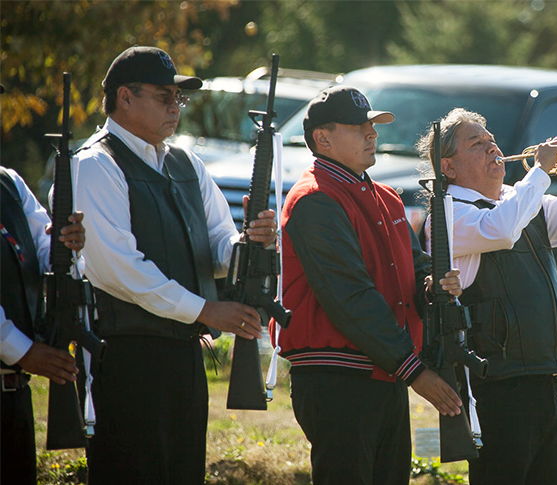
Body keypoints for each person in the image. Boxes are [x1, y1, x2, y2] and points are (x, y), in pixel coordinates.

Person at [71, 46, 277, 484]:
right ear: (124, 97)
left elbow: (218, 242)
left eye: (178, 98)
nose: (174, 107)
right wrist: (206, 310)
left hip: (183, 355)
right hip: (127, 355)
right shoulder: (95, 164)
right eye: (164, 95)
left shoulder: (185, 163)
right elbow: (118, 268)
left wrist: (248, 245)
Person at [416, 108, 557, 485]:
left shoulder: (521, 200)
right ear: (449, 167)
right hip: (497, 385)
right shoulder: (447, 215)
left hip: (542, 374)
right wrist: (540, 171)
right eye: (477, 144)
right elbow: (502, 230)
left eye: (491, 140)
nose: (492, 148)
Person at [276, 85, 464, 485]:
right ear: (322, 139)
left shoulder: (386, 197)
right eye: (359, 127)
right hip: (337, 377)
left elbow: (413, 269)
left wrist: (433, 284)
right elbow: (350, 298)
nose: (372, 134)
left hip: (384, 370)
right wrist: (415, 370)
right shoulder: (314, 200)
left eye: (372, 126)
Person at [1, 164, 85, 485]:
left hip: (15, 397)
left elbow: (43, 246)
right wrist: (23, 351)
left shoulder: (9, 183)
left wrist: (67, 245)